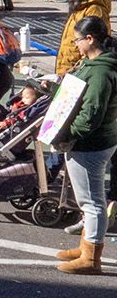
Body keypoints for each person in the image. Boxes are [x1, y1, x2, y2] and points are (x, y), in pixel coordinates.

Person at [54, 15, 115, 275]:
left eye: (78, 40)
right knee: (89, 200)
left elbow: (91, 114)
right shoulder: (98, 64)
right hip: (97, 141)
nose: (76, 45)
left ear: (90, 39)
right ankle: (85, 246)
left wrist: (67, 135)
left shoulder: (101, 71)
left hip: (90, 144)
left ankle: (91, 257)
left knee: (91, 202)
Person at [57, 0, 111, 77]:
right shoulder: (78, 6)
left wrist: (76, 71)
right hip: (67, 71)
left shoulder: (94, 10)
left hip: (79, 74)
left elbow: (93, 48)